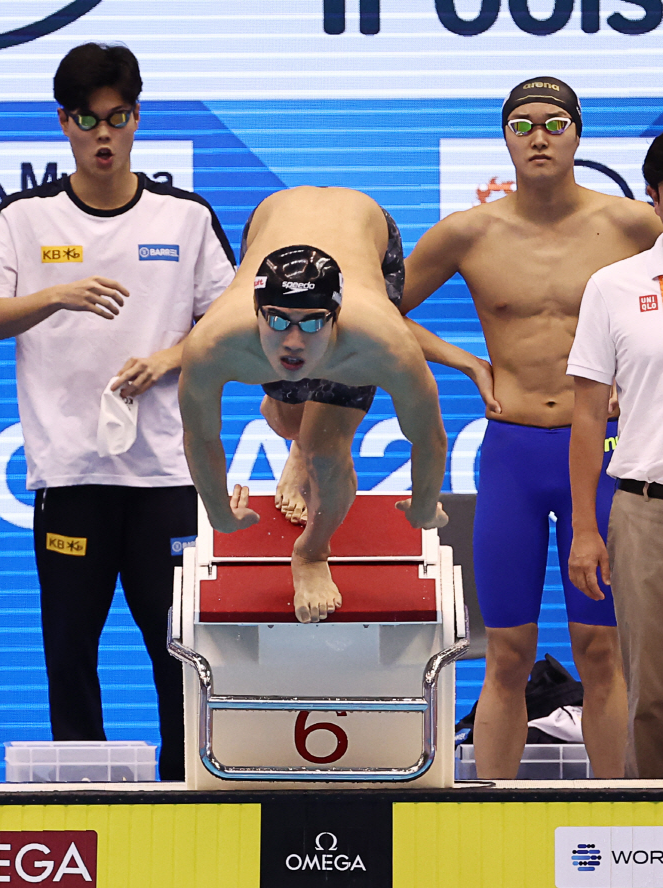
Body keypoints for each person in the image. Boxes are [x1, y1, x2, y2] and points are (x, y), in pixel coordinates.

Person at [0, 43, 236, 781]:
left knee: (180, 653)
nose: (104, 136)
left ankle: (193, 796)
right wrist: (57, 292)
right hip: (73, 478)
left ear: (137, 119)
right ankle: (87, 804)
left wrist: (168, 359)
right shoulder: (26, 218)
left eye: (118, 118)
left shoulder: (183, 218)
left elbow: (232, 323)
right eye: (88, 120)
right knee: (70, 655)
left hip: (167, 480)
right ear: (65, 122)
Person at [400, 76, 662, 779]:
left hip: (606, 456)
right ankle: (490, 818)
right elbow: (374, 308)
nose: (539, 136)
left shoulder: (633, 225)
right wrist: (466, 362)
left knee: (602, 651)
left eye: (554, 123)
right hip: (513, 452)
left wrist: (633, 384)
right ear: (506, 138)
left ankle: (618, 824)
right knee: (508, 652)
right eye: (522, 124)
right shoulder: (469, 232)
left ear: (578, 135)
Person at [179, 186, 448, 623]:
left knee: (325, 451)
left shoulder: (383, 342)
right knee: (290, 414)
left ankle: (311, 551)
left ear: (337, 315)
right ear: (255, 308)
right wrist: (217, 514)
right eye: (278, 320)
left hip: (366, 227)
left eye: (313, 323)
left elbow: (429, 437)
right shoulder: (214, 342)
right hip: (270, 216)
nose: (293, 341)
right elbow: (201, 435)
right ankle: (297, 439)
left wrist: (423, 502)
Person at [568, 134, 663, 779]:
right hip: (645, 513)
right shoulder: (614, 285)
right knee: (652, 698)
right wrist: (584, 528)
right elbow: (585, 414)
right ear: (656, 198)